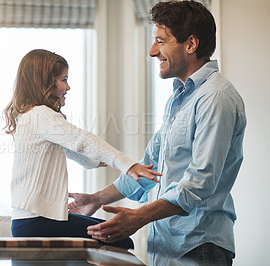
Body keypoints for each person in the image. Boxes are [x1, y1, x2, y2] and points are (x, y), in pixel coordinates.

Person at [68, 1, 246, 265]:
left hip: (199, 247)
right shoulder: (180, 97)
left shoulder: (215, 97)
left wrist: (139, 216)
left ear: (191, 44)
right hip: (166, 246)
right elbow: (150, 168)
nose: (152, 52)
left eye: (161, 41)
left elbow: (200, 183)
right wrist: (95, 199)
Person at [3, 49, 161, 249]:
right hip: (39, 221)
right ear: (44, 83)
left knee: (114, 236)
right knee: (120, 238)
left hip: (27, 223)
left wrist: (93, 161)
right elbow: (81, 140)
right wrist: (127, 165)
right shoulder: (41, 114)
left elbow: (68, 147)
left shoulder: (28, 116)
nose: (68, 86)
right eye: (63, 80)